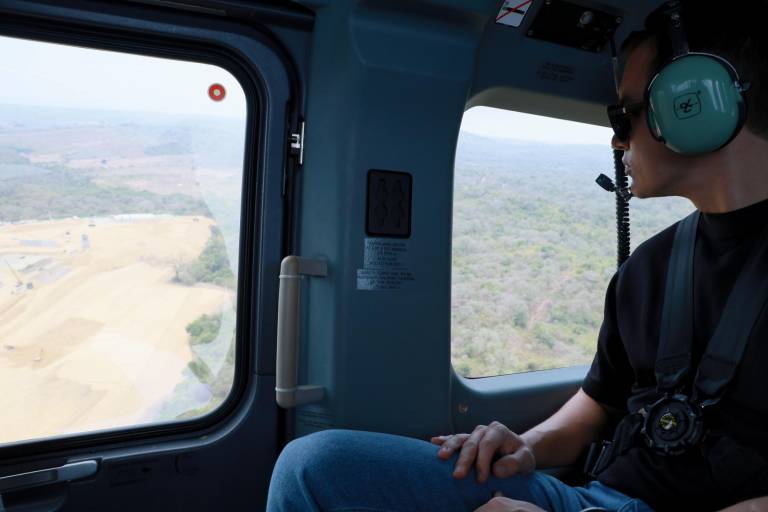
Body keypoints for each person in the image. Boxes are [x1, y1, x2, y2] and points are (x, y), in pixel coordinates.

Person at [266, 1, 768, 510]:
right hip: (598, 497)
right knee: (314, 468)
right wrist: (525, 446)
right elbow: (600, 401)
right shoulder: (650, 267)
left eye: (626, 113)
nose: (616, 139)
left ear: (699, 104)